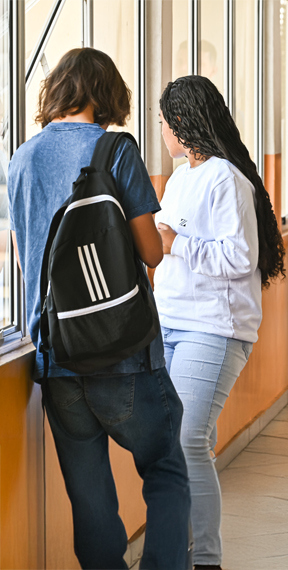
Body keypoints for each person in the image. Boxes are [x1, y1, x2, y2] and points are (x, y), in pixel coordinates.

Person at [7, 48, 190, 569]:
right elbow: (151, 253)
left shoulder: (22, 157)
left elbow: (29, 255)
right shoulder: (115, 149)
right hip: (124, 351)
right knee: (164, 469)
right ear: (108, 91)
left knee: (90, 502)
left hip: (56, 355)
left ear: (58, 89)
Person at [155, 75, 285, 570]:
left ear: (183, 122)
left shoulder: (226, 178)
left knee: (189, 440)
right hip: (170, 322)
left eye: (164, 121)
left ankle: (206, 559)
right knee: (178, 443)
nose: (160, 130)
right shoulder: (182, 177)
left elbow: (239, 257)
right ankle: (178, 550)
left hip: (213, 326)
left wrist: (175, 244)